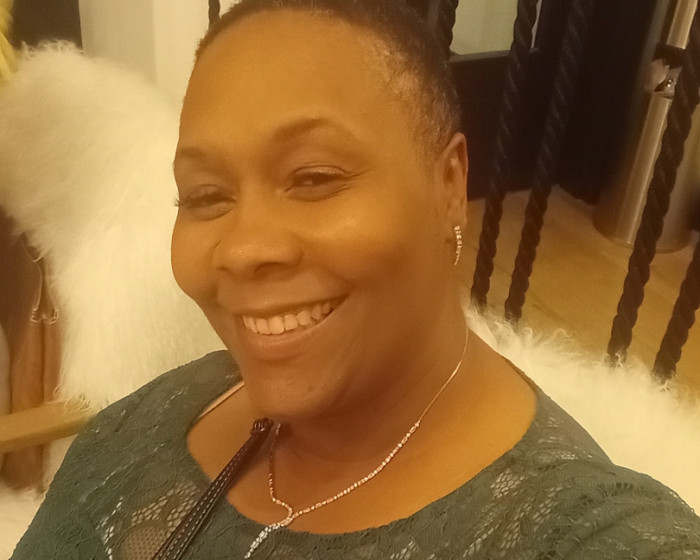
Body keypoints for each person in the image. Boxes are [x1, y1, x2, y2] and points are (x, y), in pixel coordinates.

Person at [11, 0, 700, 558]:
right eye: (205, 196)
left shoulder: (579, 532)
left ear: (448, 184)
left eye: (314, 177)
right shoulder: (161, 412)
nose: (243, 249)